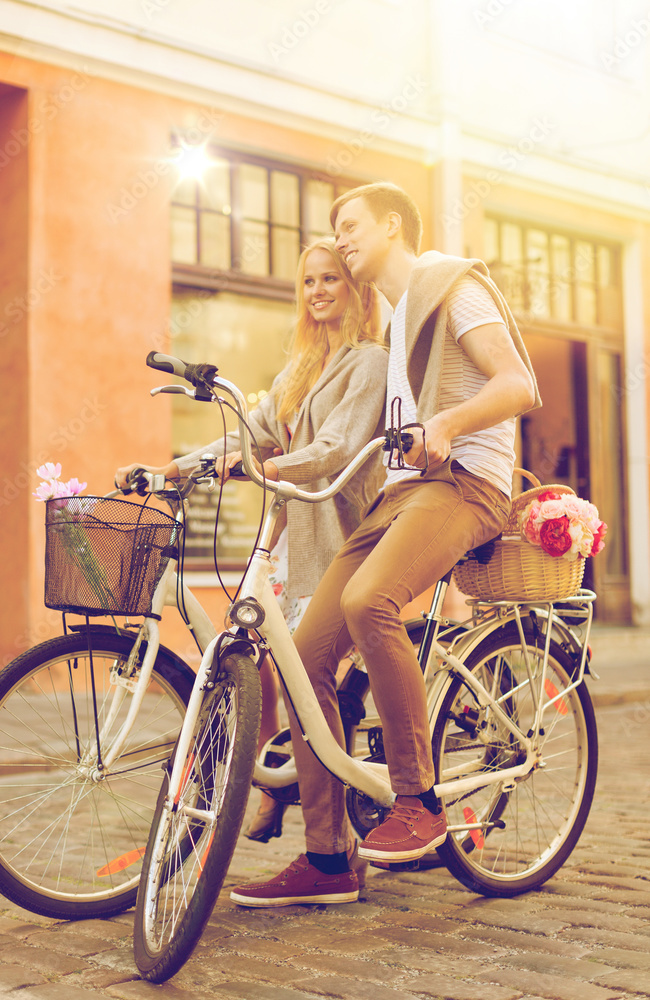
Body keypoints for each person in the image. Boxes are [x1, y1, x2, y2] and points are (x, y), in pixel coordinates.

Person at [230, 181, 540, 907]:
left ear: (394, 225)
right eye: (335, 229)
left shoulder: (450, 283)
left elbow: (518, 384)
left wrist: (447, 426)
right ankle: (327, 858)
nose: (339, 238)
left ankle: (419, 799)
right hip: (405, 494)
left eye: (350, 225)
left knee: (372, 601)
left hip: (469, 484)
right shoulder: (400, 322)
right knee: (304, 658)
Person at [115, 236, 388, 844]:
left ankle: (348, 820)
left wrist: (268, 469)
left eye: (331, 279)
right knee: (272, 665)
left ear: (356, 288)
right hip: (290, 540)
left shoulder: (368, 361)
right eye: (309, 281)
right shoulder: (299, 367)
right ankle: (279, 785)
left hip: (341, 538)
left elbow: (335, 450)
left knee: (311, 678)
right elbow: (251, 432)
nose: (318, 291)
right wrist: (174, 468)